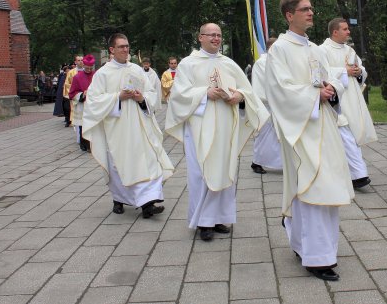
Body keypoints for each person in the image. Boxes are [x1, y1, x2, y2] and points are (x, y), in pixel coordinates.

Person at [265, 0, 354, 281]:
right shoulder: (280, 50)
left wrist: (330, 90)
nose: (311, 13)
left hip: (323, 126)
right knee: (312, 186)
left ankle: (307, 245)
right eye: (304, 9)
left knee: (324, 186)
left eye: (311, 8)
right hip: (301, 130)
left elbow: (330, 82)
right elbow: (280, 90)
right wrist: (315, 95)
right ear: (289, 15)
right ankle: (317, 258)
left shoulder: (315, 50)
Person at [165, 23, 268, 241]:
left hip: (225, 126)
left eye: (219, 35)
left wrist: (239, 97)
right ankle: (203, 222)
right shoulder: (188, 64)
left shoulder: (228, 63)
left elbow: (248, 92)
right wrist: (204, 93)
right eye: (211, 35)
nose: (216, 38)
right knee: (201, 173)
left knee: (224, 170)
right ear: (200, 37)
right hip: (200, 128)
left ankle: (220, 217)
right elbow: (178, 96)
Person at [82, 33, 175, 218]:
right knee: (119, 164)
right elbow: (93, 101)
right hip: (117, 128)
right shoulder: (103, 73)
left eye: (127, 46)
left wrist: (142, 98)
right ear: (112, 49)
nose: (126, 50)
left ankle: (148, 204)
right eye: (121, 46)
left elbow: (151, 92)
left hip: (140, 126)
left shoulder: (137, 70)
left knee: (147, 161)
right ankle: (119, 199)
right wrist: (118, 97)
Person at [320, 18, 377, 189]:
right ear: (334, 32)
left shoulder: (349, 50)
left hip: (353, 98)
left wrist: (359, 71)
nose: (348, 32)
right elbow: (322, 72)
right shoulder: (322, 50)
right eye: (345, 29)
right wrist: (344, 71)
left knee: (351, 134)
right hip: (337, 99)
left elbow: (361, 70)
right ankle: (358, 175)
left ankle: (348, 173)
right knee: (346, 134)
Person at [250, 37, 283, 174]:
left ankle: (279, 162)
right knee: (264, 135)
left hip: (278, 102)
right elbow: (264, 83)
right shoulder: (262, 62)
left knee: (277, 136)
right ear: (271, 47)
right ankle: (256, 162)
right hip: (265, 104)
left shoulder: (277, 61)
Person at [68, 54, 96, 152]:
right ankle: (85, 145)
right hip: (83, 105)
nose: (89, 69)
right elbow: (72, 93)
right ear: (83, 66)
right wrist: (82, 95)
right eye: (87, 67)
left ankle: (94, 144)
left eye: (91, 68)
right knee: (83, 125)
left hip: (94, 105)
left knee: (94, 125)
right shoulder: (77, 77)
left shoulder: (96, 75)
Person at [63, 56, 84, 127]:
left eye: (82, 60)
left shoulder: (87, 71)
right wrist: (73, 91)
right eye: (78, 60)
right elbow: (67, 83)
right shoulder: (71, 72)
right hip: (75, 94)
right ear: (75, 62)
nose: (80, 61)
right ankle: (73, 121)